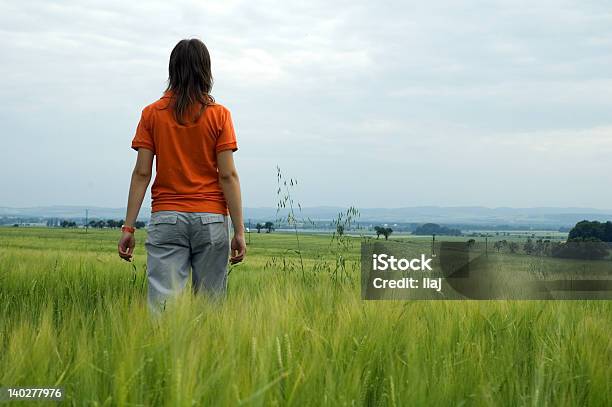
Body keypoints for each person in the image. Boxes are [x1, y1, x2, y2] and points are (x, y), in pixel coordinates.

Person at [117, 38, 246, 310]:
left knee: (163, 308)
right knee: (210, 308)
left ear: (172, 70)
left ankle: (165, 352)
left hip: (166, 218)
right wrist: (239, 231)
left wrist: (128, 227)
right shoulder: (219, 115)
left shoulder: (152, 114)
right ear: (206, 71)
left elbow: (142, 173)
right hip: (211, 221)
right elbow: (228, 176)